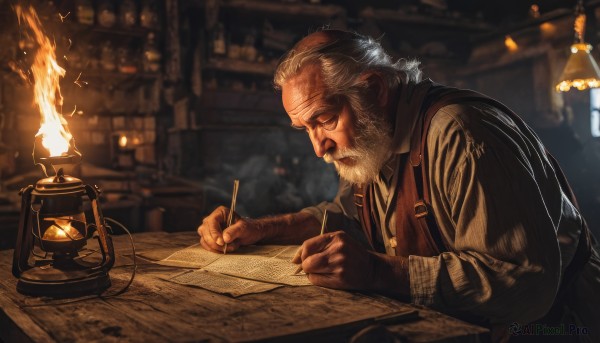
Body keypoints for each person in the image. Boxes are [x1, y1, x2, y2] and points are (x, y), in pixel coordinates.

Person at [197, 29, 600, 341]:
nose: (319, 148)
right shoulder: (376, 140)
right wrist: (258, 229)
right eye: (305, 128)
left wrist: (376, 271)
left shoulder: (462, 134)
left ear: (374, 89)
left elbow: (525, 283)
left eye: (324, 120)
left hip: (557, 327)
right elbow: (347, 216)